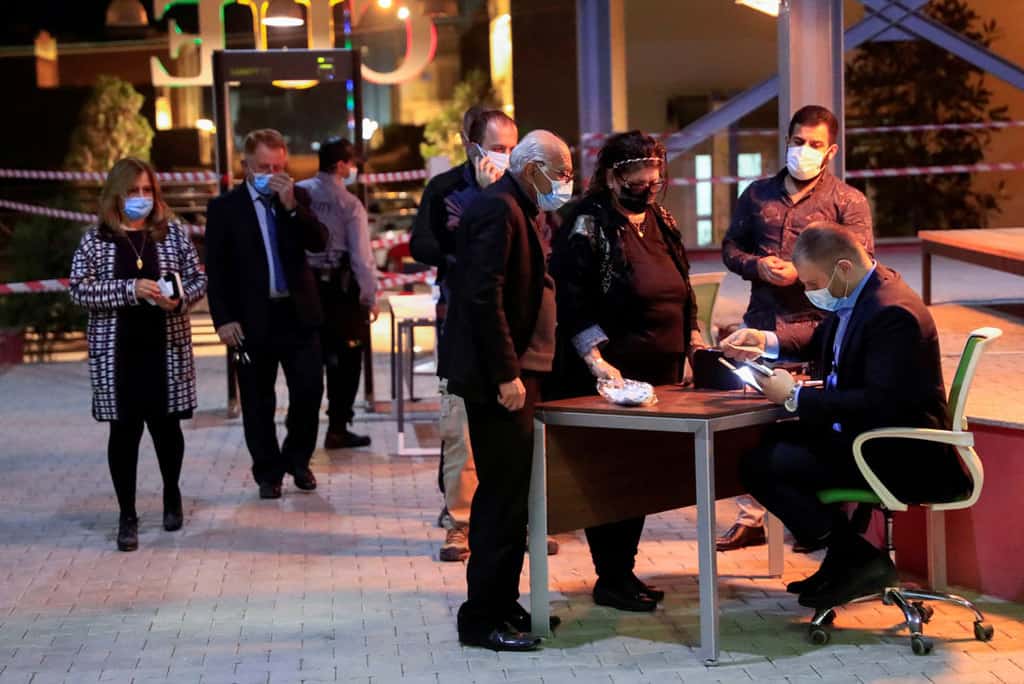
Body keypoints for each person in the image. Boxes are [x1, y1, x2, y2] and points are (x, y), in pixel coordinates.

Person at [721, 224, 970, 608]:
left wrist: (796, 396)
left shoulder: (892, 313)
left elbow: (879, 403)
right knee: (769, 447)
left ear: (842, 268)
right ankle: (847, 560)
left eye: (812, 283)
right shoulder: (862, 294)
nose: (808, 292)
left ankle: (855, 558)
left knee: (765, 465)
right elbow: (819, 340)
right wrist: (764, 341)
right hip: (866, 439)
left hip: (898, 451)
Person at [548, 131, 704, 611]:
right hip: (609, 379)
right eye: (638, 181)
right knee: (610, 477)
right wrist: (597, 361)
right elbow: (570, 301)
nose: (647, 188)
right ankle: (610, 576)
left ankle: (625, 570)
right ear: (613, 177)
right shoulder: (585, 222)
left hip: (659, 375)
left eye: (654, 180)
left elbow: (684, 286)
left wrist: (694, 341)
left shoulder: (662, 218)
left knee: (639, 476)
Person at [717, 104, 874, 552]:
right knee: (750, 423)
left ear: (832, 150)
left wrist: (799, 272)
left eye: (815, 144)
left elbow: (860, 259)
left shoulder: (847, 202)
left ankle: (817, 523)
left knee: (815, 419)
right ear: (786, 141)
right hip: (763, 322)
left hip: (818, 326)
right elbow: (731, 247)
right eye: (797, 141)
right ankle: (751, 519)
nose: (804, 151)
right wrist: (757, 266)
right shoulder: (758, 195)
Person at [440, 130, 573, 651]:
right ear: (533, 166)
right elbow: (481, 296)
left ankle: (503, 602)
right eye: (560, 172)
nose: (565, 183)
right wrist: (504, 374)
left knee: (513, 499)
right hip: (497, 378)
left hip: (516, 371)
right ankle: (481, 619)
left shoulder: (518, 207)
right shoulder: (499, 211)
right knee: (498, 501)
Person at [410, 107, 530, 562]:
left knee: (515, 432)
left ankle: (517, 520)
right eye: (498, 148)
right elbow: (422, 244)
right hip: (461, 320)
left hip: (514, 325)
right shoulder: (445, 189)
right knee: (459, 427)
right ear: (471, 146)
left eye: (513, 147)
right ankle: (459, 522)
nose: (507, 156)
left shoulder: (525, 191)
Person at [69, 157, 207, 551]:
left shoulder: (173, 234)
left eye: (148, 191)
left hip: (166, 348)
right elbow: (79, 289)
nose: (142, 199)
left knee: (167, 429)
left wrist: (178, 300)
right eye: (134, 192)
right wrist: (130, 289)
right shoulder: (95, 239)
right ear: (117, 194)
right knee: (124, 434)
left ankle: (171, 495)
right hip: (118, 354)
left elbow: (198, 279)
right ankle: (127, 514)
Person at [205, 128, 329, 500]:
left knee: (309, 391)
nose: (271, 173)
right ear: (245, 165)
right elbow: (217, 268)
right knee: (258, 400)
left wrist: (291, 207)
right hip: (249, 322)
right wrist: (223, 319)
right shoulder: (225, 208)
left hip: (298, 315)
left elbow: (319, 241)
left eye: (278, 166)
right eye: (263, 166)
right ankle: (268, 471)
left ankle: (298, 459)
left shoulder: (296, 197)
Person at [297, 137, 378, 450]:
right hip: (341, 293)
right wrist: (369, 295)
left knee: (308, 359)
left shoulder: (299, 193)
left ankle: (303, 431)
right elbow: (361, 256)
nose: (354, 168)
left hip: (305, 289)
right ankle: (338, 426)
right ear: (342, 164)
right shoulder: (349, 204)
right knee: (347, 361)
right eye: (352, 162)